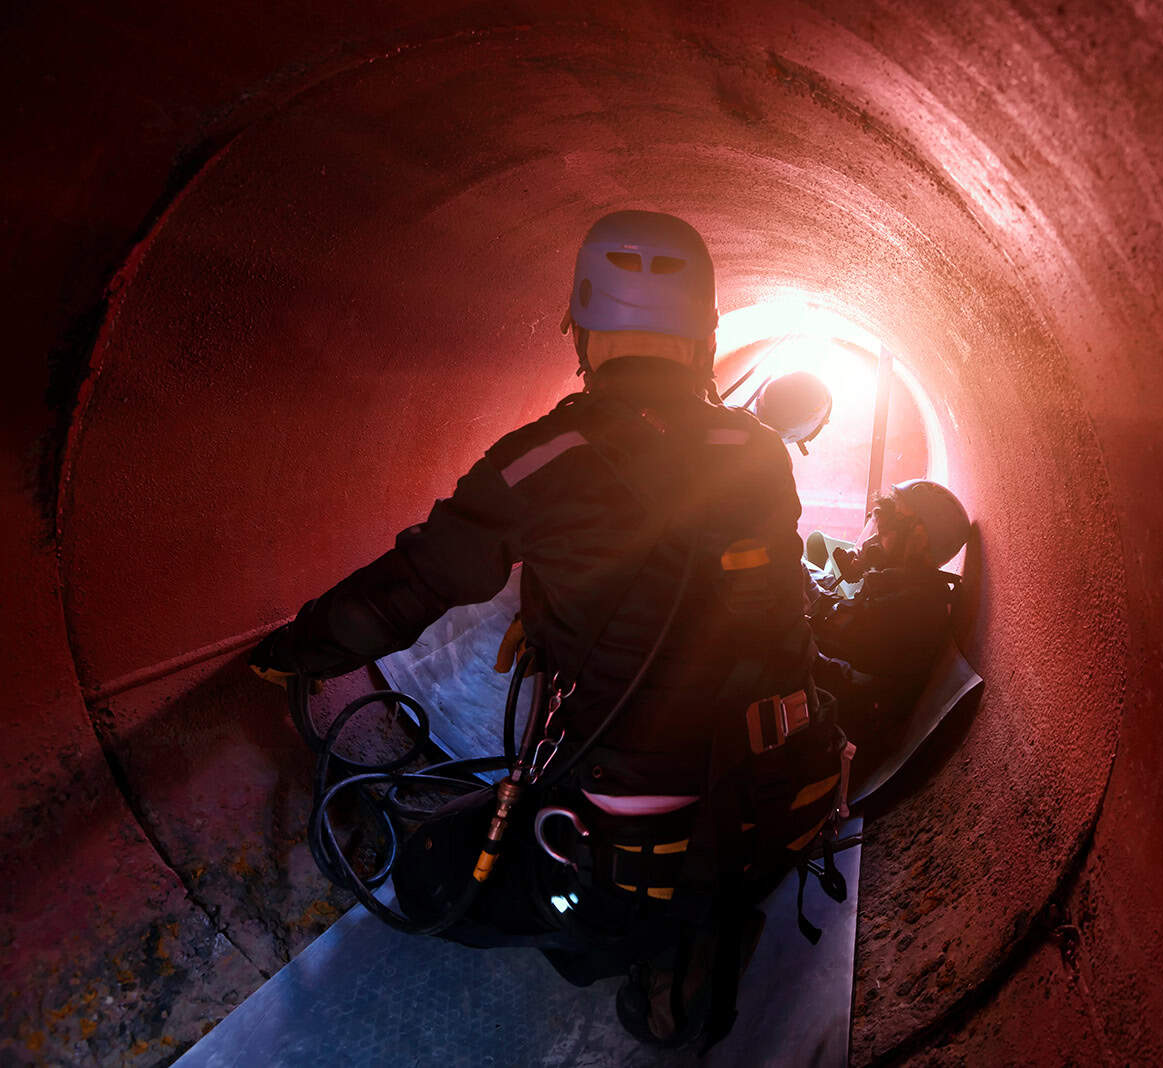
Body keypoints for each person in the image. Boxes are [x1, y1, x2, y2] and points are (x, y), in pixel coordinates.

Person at [249, 210, 848, 1049]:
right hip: (774, 794)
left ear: (584, 326)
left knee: (431, 876)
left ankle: (626, 931)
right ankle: (695, 922)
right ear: (704, 332)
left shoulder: (540, 458)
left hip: (624, 820)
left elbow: (415, 584)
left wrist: (294, 652)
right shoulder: (755, 450)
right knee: (689, 873)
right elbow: (745, 602)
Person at [805, 479, 970, 786]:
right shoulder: (907, 586)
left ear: (919, 539)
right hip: (841, 689)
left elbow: (826, 632)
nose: (878, 525)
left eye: (890, 519)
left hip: (845, 720)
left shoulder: (912, 605)